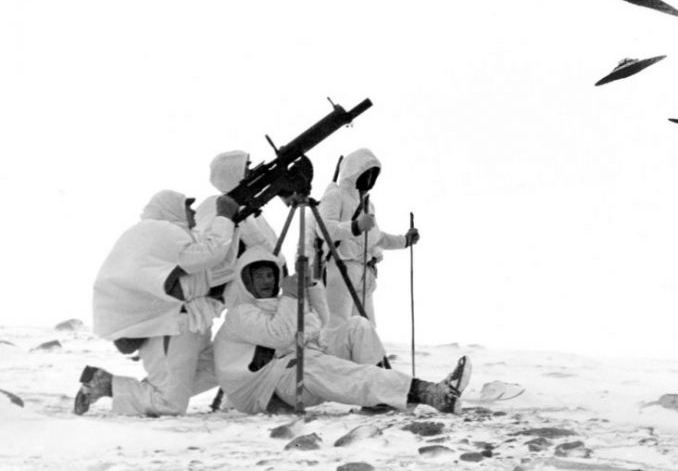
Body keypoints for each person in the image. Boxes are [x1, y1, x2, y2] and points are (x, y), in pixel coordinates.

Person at [213, 248, 471, 415]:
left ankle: (382, 399)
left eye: (270, 275)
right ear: (247, 281)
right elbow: (280, 335)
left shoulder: (284, 303)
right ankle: (430, 393)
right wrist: (292, 298)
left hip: (298, 364)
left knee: (356, 326)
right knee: (320, 365)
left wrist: (309, 289)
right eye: (258, 277)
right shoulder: (240, 314)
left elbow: (317, 325)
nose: (266, 282)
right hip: (270, 386)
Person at [74, 189, 239, 416]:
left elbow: (220, 266)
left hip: (190, 320)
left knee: (219, 368)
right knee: (169, 406)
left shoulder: (172, 237)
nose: (193, 211)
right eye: (187, 206)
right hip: (170, 326)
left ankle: (151, 390)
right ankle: (107, 384)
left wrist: (232, 224)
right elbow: (211, 254)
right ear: (170, 208)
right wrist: (224, 219)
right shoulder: (160, 233)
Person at [316, 147, 419, 327]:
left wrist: (405, 241)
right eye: (366, 173)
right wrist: (355, 226)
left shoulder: (368, 205)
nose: (370, 178)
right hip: (340, 269)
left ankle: (366, 356)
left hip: (364, 272)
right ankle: (333, 355)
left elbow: (376, 238)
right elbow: (324, 228)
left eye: (373, 174)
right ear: (355, 172)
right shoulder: (335, 195)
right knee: (337, 326)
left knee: (367, 328)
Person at [194, 150, 287, 285]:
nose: (251, 172)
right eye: (246, 168)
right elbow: (257, 240)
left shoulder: (220, 203)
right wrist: (282, 266)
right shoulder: (230, 205)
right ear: (232, 174)